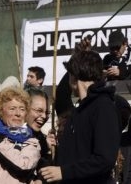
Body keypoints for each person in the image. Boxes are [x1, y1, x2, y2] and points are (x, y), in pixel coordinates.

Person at [39, 48, 120, 183]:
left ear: (74, 76)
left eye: (69, 73)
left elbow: (104, 159)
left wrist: (63, 172)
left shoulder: (103, 107)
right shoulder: (79, 110)